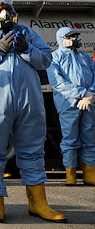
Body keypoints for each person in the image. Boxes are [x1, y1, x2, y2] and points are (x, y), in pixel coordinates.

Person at [0, 0, 66, 223]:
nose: (5, 12)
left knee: (32, 150)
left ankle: (38, 202)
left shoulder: (26, 33)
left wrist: (26, 49)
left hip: (28, 101)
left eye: (8, 7)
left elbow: (46, 59)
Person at [46, 27, 95, 186]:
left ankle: (89, 174)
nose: (74, 39)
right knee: (70, 137)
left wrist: (91, 94)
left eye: (75, 36)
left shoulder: (85, 57)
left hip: (89, 102)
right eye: (70, 36)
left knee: (89, 137)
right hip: (68, 102)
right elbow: (58, 83)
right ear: (61, 38)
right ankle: (71, 174)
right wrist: (82, 93)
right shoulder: (54, 57)